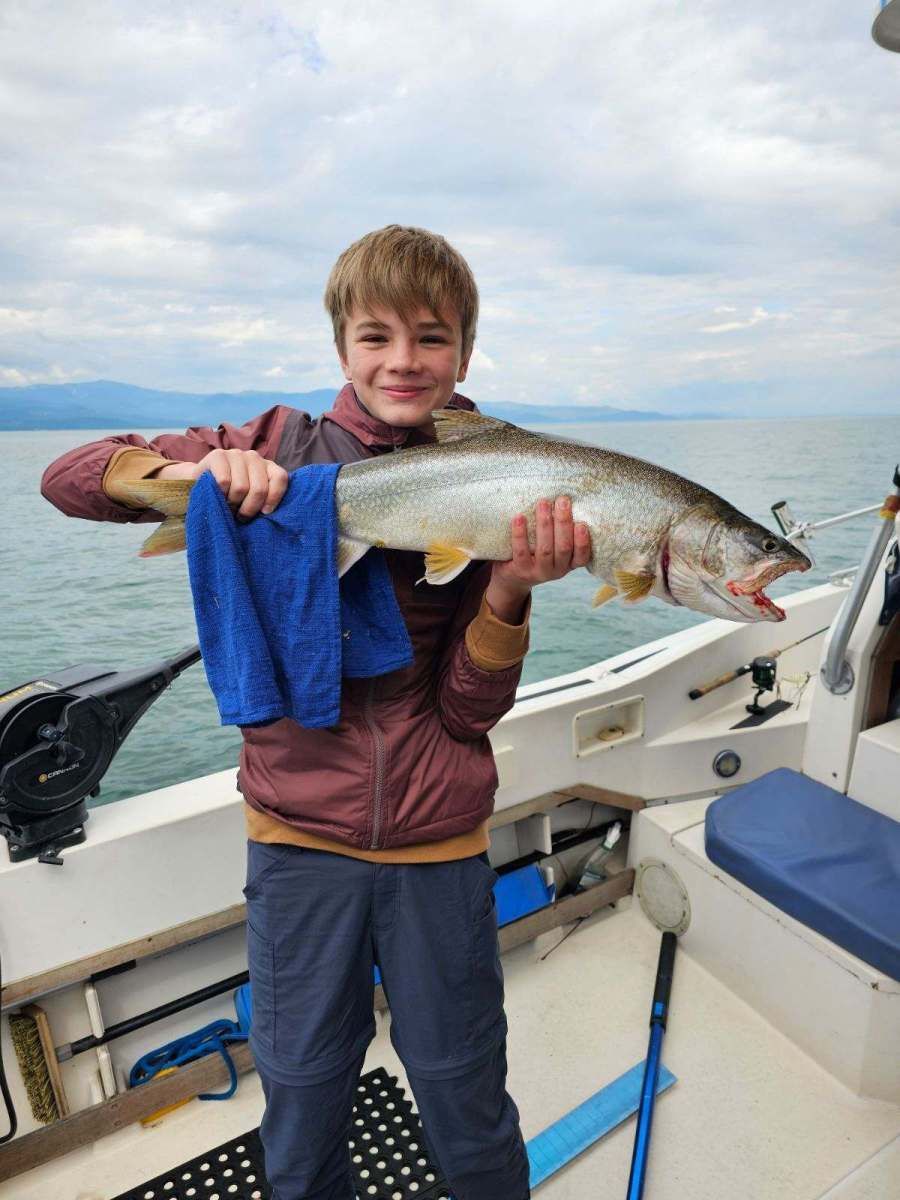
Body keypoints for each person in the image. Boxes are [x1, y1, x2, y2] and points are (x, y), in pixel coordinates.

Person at [40, 224, 592, 1200]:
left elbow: (467, 715)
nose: (405, 360)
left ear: (464, 349)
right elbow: (71, 477)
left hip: (437, 848)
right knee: (300, 1096)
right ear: (343, 346)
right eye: (377, 336)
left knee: (467, 1098)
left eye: (432, 336)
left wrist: (508, 591)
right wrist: (194, 480)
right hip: (297, 844)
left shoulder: (503, 471)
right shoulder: (280, 445)